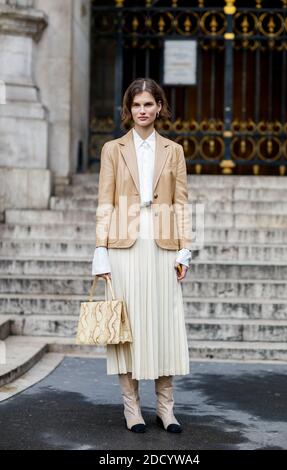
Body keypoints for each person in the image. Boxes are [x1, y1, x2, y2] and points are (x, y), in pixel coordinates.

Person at [92, 77, 193, 434]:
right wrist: (100, 250)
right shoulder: (112, 149)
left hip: (163, 246)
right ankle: (131, 408)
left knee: (163, 326)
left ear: (159, 107)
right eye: (137, 105)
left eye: (149, 104)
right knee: (127, 329)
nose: (143, 111)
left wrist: (185, 249)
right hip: (123, 248)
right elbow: (106, 201)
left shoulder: (174, 151)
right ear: (128, 109)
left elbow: (181, 202)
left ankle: (166, 409)